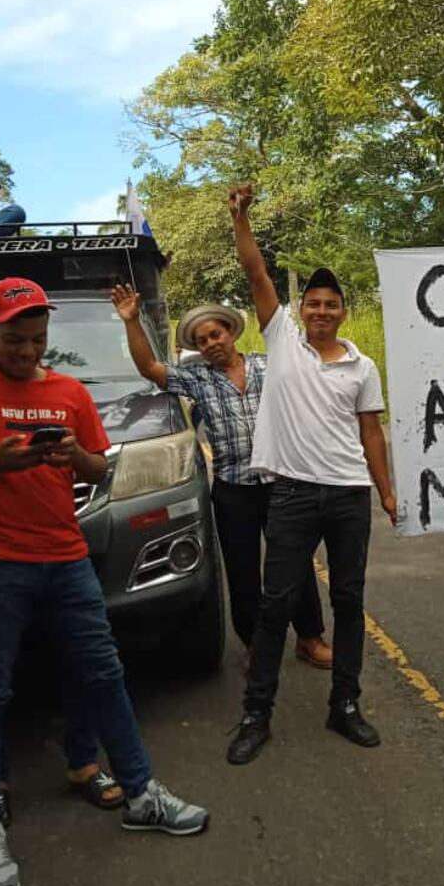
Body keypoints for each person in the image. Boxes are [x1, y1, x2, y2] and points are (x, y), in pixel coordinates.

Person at [0, 277, 208, 886]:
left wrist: (72, 460)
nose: (28, 350)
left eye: (37, 338)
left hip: (66, 559)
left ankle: (140, 793)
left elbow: (98, 463)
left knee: (104, 674)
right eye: (15, 339)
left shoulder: (69, 392)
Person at [225, 185, 397, 765]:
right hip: (293, 495)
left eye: (331, 304)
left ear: (342, 311)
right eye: (313, 304)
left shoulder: (362, 366)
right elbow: (255, 271)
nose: (321, 311)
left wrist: (386, 492)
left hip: (348, 496)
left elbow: (371, 433)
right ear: (300, 311)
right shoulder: (281, 341)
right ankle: (256, 714)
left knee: (349, 601)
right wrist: (241, 218)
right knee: (276, 605)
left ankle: (344, 705)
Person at [110, 284, 331, 666]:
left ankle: (309, 637)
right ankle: (255, 645)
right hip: (233, 491)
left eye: (216, 334)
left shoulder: (268, 365)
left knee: (295, 563)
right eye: (202, 340)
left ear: (230, 333)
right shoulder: (198, 379)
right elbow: (150, 368)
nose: (211, 343)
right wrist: (131, 321)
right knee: (242, 572)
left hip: (281, 483)